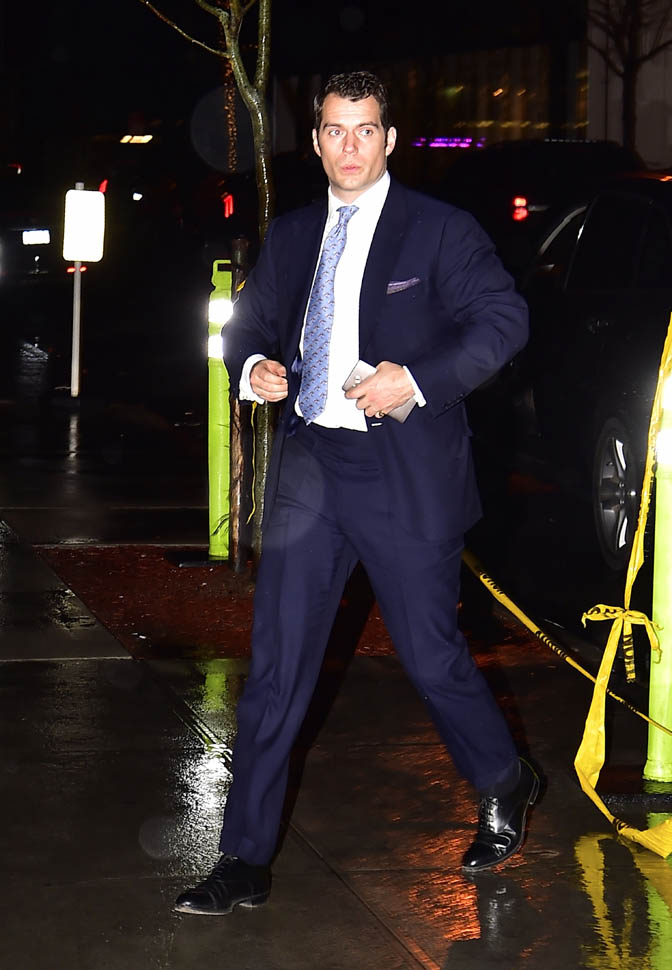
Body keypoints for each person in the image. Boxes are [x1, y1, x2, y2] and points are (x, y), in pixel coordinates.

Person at [175, 70, 538, 916]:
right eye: (334, 130)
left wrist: (417, 378)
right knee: (276, 668)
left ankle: (503, 777)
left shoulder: (439, 232)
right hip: (311, 468)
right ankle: (245, 860)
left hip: (403, 473)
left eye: (364, 130)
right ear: (315, 140)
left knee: (429, 653)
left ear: (390, 139)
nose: (348, 146)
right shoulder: (295, 234)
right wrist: (252, 365)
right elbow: (249, 327)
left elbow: (503, 320)